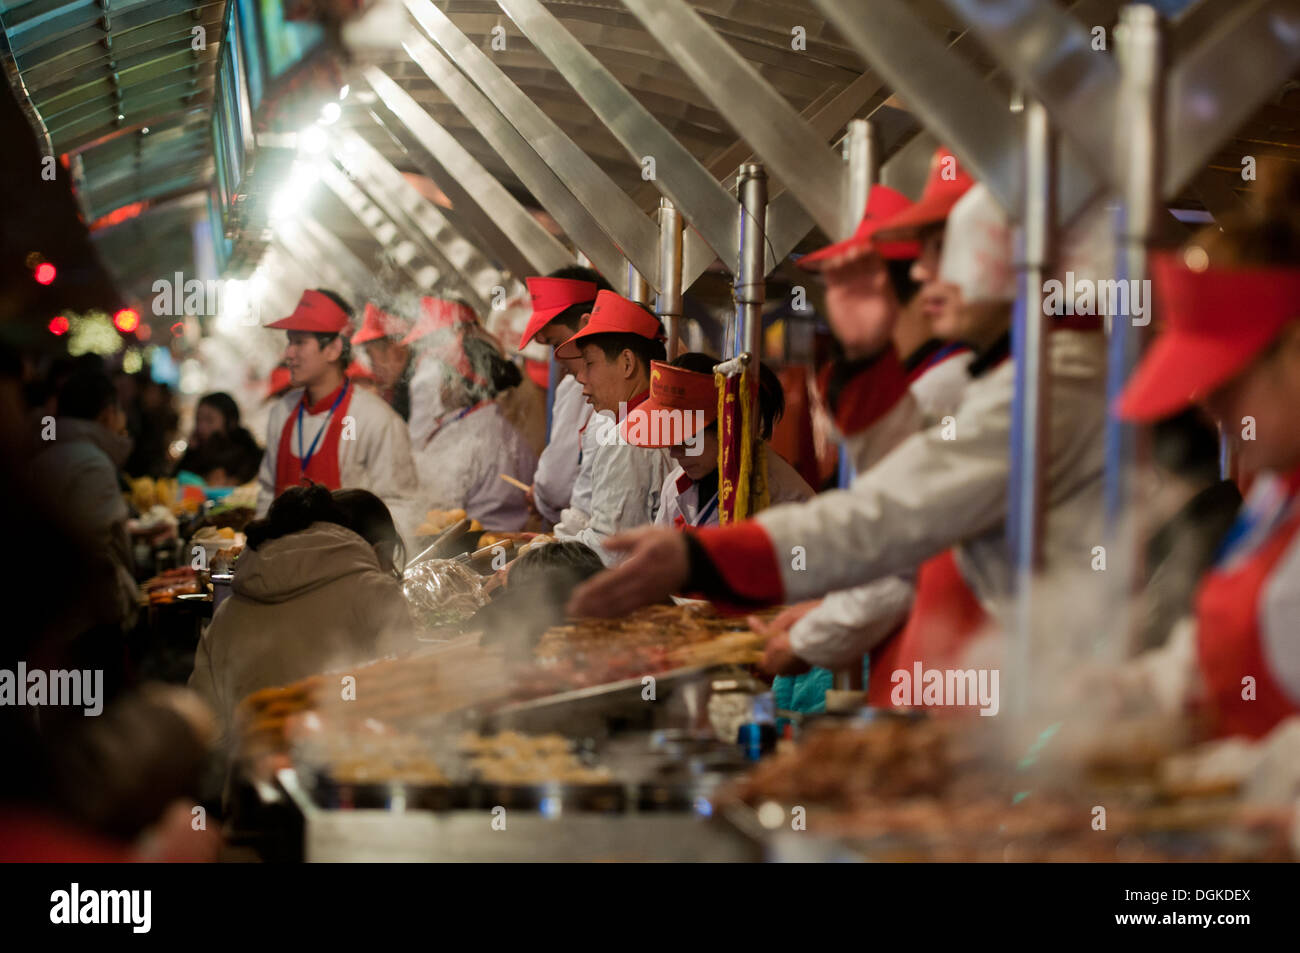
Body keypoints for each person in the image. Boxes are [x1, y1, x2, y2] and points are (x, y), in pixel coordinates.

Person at [569, 154, 1111, 665]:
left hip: (1031, 675)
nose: (925, 275)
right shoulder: (998, 374)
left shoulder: (1038, 384)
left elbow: (889, 520)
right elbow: (890, 517)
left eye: (940, 249)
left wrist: (710, 564)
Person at [1098, 177, 1300, 740]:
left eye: (1228, 379)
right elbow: (1232, 650)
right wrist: (1142, 688)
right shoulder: (1273, 496)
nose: (1210, 404)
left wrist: (1264, 783)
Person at [189, 485, 415, 748]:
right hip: (346, 777)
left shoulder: (228, 610)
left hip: (245, 778)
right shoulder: (377, 594)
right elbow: (406, 705)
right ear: (381, 551)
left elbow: (203, 721)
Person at [255, 289, 420, 540]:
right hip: (281, 567)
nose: (288, 353)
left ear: (333, 348)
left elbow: (401, 507)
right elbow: (267, 495)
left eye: (299, 342)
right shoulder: (281, 413)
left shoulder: (376, 419)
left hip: (347, 569)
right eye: (290, 341)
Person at [623, 353, 812, 529]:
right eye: (671, 438)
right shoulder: (675, 484)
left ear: (726, 427)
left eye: (688, 439)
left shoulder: (785, 498)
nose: (674, 452)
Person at [552, 290, 673, 565]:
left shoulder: (630, 436)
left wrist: (541, 561)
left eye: (590, 364)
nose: (580, 378)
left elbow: (609, 550)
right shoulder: (661, 418)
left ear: (627, 363)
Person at [407, 297, 538, 531]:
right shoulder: (499, 425)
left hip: (472, 546)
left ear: (464, 382)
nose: (441, 388)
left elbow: (436, 510)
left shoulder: (467, 437)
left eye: (446, 378)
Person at [29, 367, 139, 637]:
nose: (122, 422)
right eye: (119, 411)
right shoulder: (93, 464)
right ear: (106, 414)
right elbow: (94, 554)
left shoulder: (44, 456)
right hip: (86, 625)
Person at [517, 267, 611, 526]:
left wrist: (542, 496)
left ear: (587, 324)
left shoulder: (613, 398)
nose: (559, 359)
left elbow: (556, 485)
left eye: (556, 343)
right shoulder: (570, 387)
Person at [175, 391, 260, 484]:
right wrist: (190, 452)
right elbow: (177, 480)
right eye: (198, 419)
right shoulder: (198, 447)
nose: (201, 427)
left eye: (209, 420)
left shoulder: (246, 450)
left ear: (230, 421)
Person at [352, 303, 414, 419]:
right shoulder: (399, 387)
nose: (372, 367)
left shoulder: (420, 385)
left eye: (371, 356)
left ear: (396, 352)